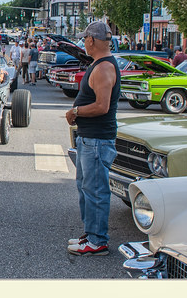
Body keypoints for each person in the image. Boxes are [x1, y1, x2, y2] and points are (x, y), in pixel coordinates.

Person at [65, 21, 121, 256]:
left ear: (92, 40)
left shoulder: (104, 68)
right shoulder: (99, 65)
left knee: (96, 190)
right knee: (86, 187)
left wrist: (75, 112)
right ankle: (91, 234)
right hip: (89, 139)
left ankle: (97, 241)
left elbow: (102, 106)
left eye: (85, 39)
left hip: (97, 140)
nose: (83, 43)